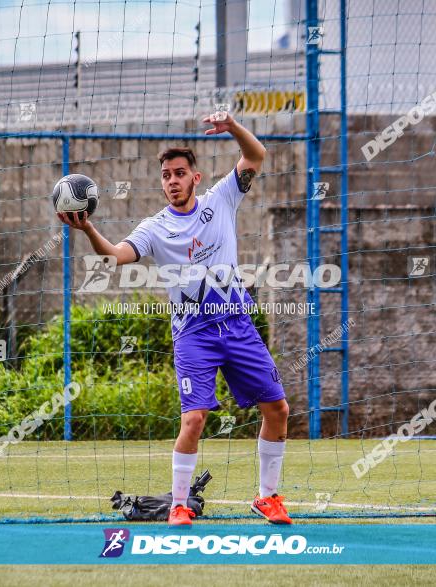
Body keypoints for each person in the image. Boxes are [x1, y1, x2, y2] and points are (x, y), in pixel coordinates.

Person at [58, 111, 291, 526]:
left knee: (278, 409)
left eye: (179, 173)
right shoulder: (155, 227)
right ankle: (179, 505)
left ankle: (267, 498)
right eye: (166, 175)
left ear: (195, 178)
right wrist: (89, 230)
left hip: (237, 324)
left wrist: (234, 127)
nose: (172, 181)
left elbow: (256, 155)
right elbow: (115, 256)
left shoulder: (222, 199)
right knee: (194, 418)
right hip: (194, 335)